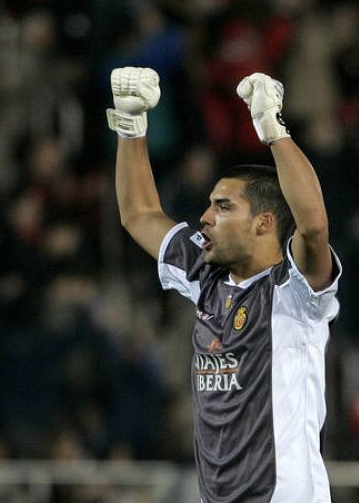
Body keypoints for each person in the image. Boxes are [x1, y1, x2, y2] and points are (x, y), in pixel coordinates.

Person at [107, 67, 342, 503]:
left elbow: (313, 227)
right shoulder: (206, 275)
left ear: (263, 223)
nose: (206, 217)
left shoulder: (294, 291)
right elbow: (138, 214)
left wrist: (274, 131)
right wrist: (130, 123)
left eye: (223, 207)